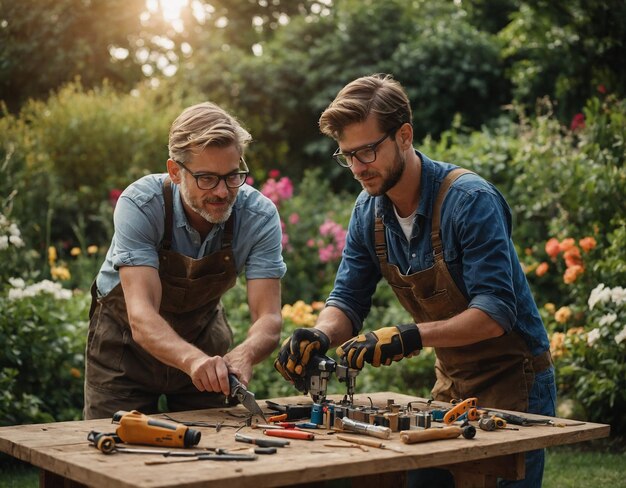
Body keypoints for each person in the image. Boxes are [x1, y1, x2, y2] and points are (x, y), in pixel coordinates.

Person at [274, 74, 556, 487]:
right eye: (347, 155)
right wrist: (318, 335)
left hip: (514, 381)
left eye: (367, 151)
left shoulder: (470, 202)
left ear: (404, 135)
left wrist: (410, 336)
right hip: (451, 381)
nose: (357, 167)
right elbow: (348, 299)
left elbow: (495, 313)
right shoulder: (367, 212)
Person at [84, 101, 286, 420]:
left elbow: (269, 317)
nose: (222, 192)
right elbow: (140, 316)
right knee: (112, 452)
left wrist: (244, 355)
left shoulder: (259, 216)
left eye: (233, 176)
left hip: (204, 343)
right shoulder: (142, 205)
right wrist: (193, 362)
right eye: (207, 179)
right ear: (175, 171)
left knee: (213, 456)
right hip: (124, 353)